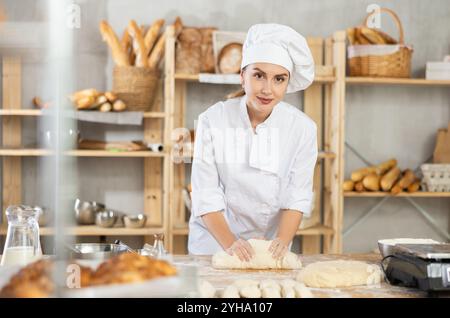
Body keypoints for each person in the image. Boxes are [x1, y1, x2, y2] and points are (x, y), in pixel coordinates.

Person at [188, 23, 318, 261]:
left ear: (287, 84)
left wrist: (282, 241)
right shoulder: (212, 120)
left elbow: (297, 194)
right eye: (258, 76)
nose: (267, 89)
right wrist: (231, 244)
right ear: (242, 77)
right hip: (213, 243)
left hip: (268, 245)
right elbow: (205, 193)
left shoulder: (303, 129)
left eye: (279, 79)